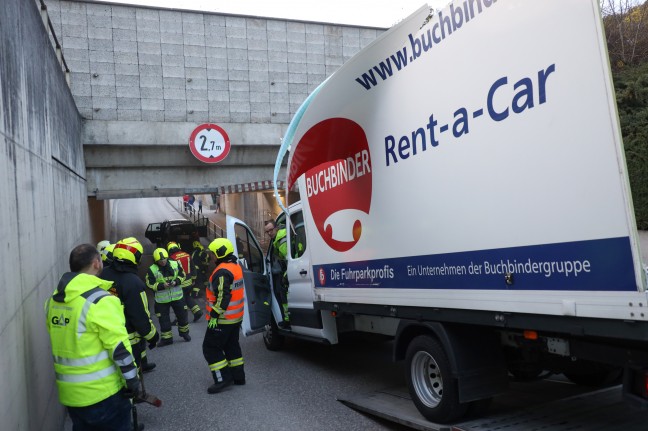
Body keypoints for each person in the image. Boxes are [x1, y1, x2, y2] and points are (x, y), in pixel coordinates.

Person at [45, 244, 140, 431]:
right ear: (96, 263)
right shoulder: (100, 301)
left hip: (70, 396)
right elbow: (119, 348)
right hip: (103, 394)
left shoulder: (53, 302)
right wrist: (132, 381)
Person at [100, 237, 159, 374]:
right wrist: (153, 336)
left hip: (103, 336)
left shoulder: (102, 274)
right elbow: (140, 316)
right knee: (130, 376)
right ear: (135, 258)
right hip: (127, 342)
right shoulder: (134, 283)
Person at [203, 238, 246, 394]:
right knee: (231, 346)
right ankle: (238, 377)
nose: (211, 257)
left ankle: (223, 378)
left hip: (223, 319)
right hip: (235, 318)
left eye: (213, 254)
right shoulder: (235, 266)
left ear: (219, 254)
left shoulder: (221, 271)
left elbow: (223, 297)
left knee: (210, 348)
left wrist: (214, 315)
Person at [146, 247, 191, 345]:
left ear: (167, 257)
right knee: (163, 319)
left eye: (164, 259)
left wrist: (176, 282)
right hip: (162, 300)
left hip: (177, 296)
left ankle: (184, 333)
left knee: (182, 316)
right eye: (160, 261)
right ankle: (167, 339)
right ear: (155, 261)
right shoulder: (152, 269)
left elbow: (182, 274)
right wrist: (162, 286)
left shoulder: (175, 263)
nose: (162, 262)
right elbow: (149, 283)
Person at [167, 241, 203, 322]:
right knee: (187, 297)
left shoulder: (171, 258)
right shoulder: (187, 255)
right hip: (189, 282)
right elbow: (193, 268)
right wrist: (193, 279)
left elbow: (171, 272)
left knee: (179, 302)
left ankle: (180, 320)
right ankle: (197, 312)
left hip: (180, 283)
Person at [264, 219, 290, 327]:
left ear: (276, 228)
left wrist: (286, 275)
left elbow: (287, 258)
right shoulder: (277, 238)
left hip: (290, 269)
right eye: (267, 231)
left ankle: (288, 319)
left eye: (271, 230)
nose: (270, 233)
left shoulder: (281, 238)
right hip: (287, 269)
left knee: (283, 293)